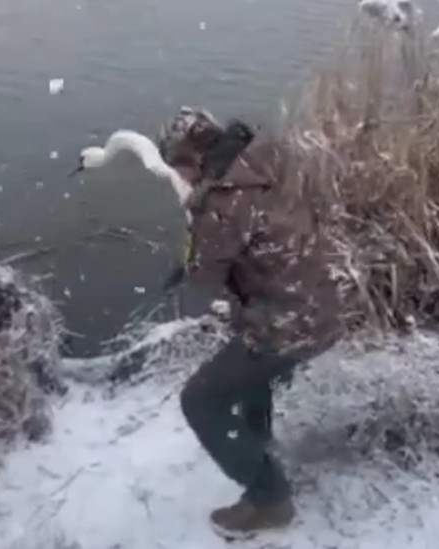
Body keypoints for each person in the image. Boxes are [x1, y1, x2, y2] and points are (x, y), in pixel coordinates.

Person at [158, 107, 342, 538]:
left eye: (180, 167)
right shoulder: (268, 157)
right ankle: (258, 443)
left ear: (195, 160)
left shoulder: (219, 203)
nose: (181, 177)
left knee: (200, 402)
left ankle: (269, 498)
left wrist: (193, 229)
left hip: (288, 323)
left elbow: (205, 278)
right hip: (322, 303)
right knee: (250, 363)